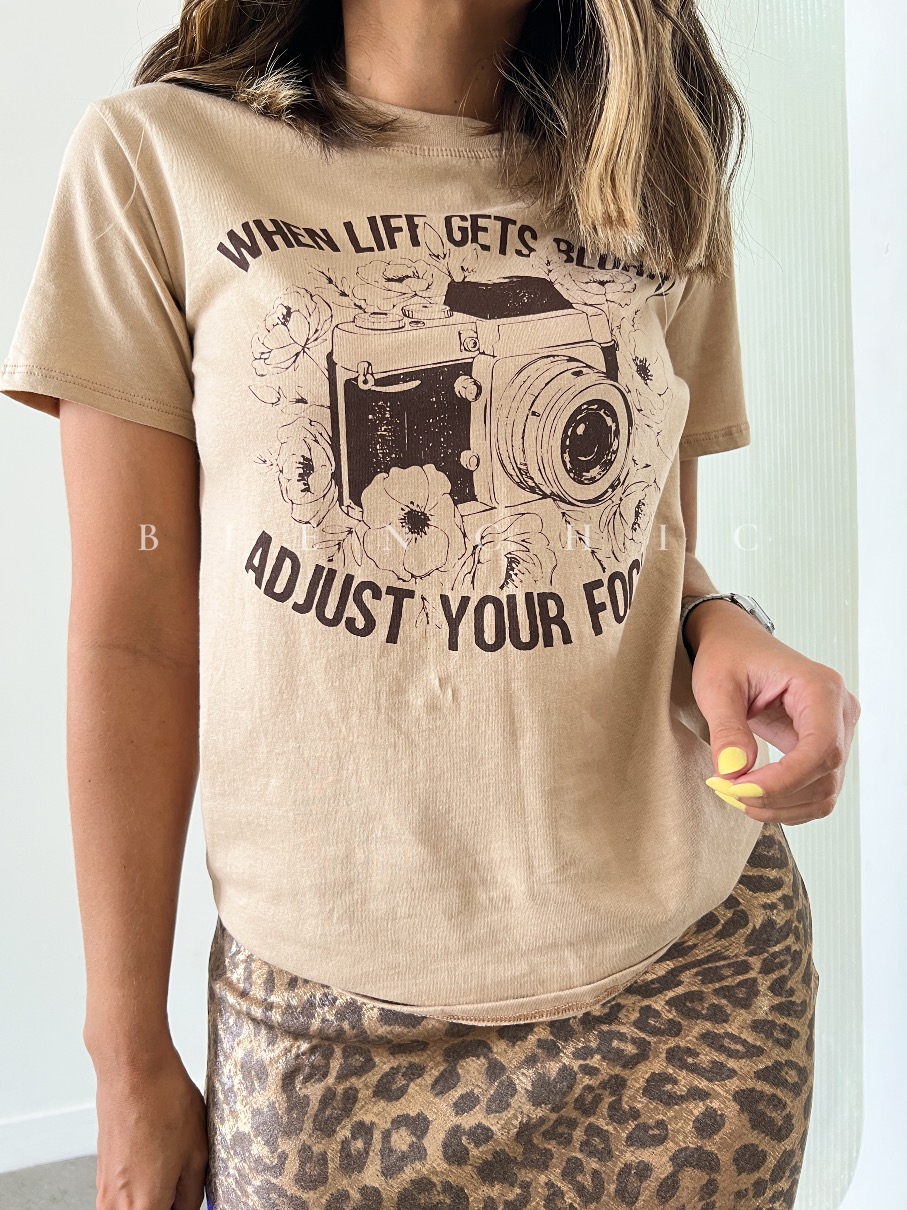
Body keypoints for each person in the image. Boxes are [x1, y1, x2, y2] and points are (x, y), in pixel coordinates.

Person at [1, 1, 860, 1207]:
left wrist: (720, 624)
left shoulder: (649, 160)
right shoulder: (154, 157)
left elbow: (639, 550)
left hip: (691, 991)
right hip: (331, 1027)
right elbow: (131, 635)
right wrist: (125, 1055)